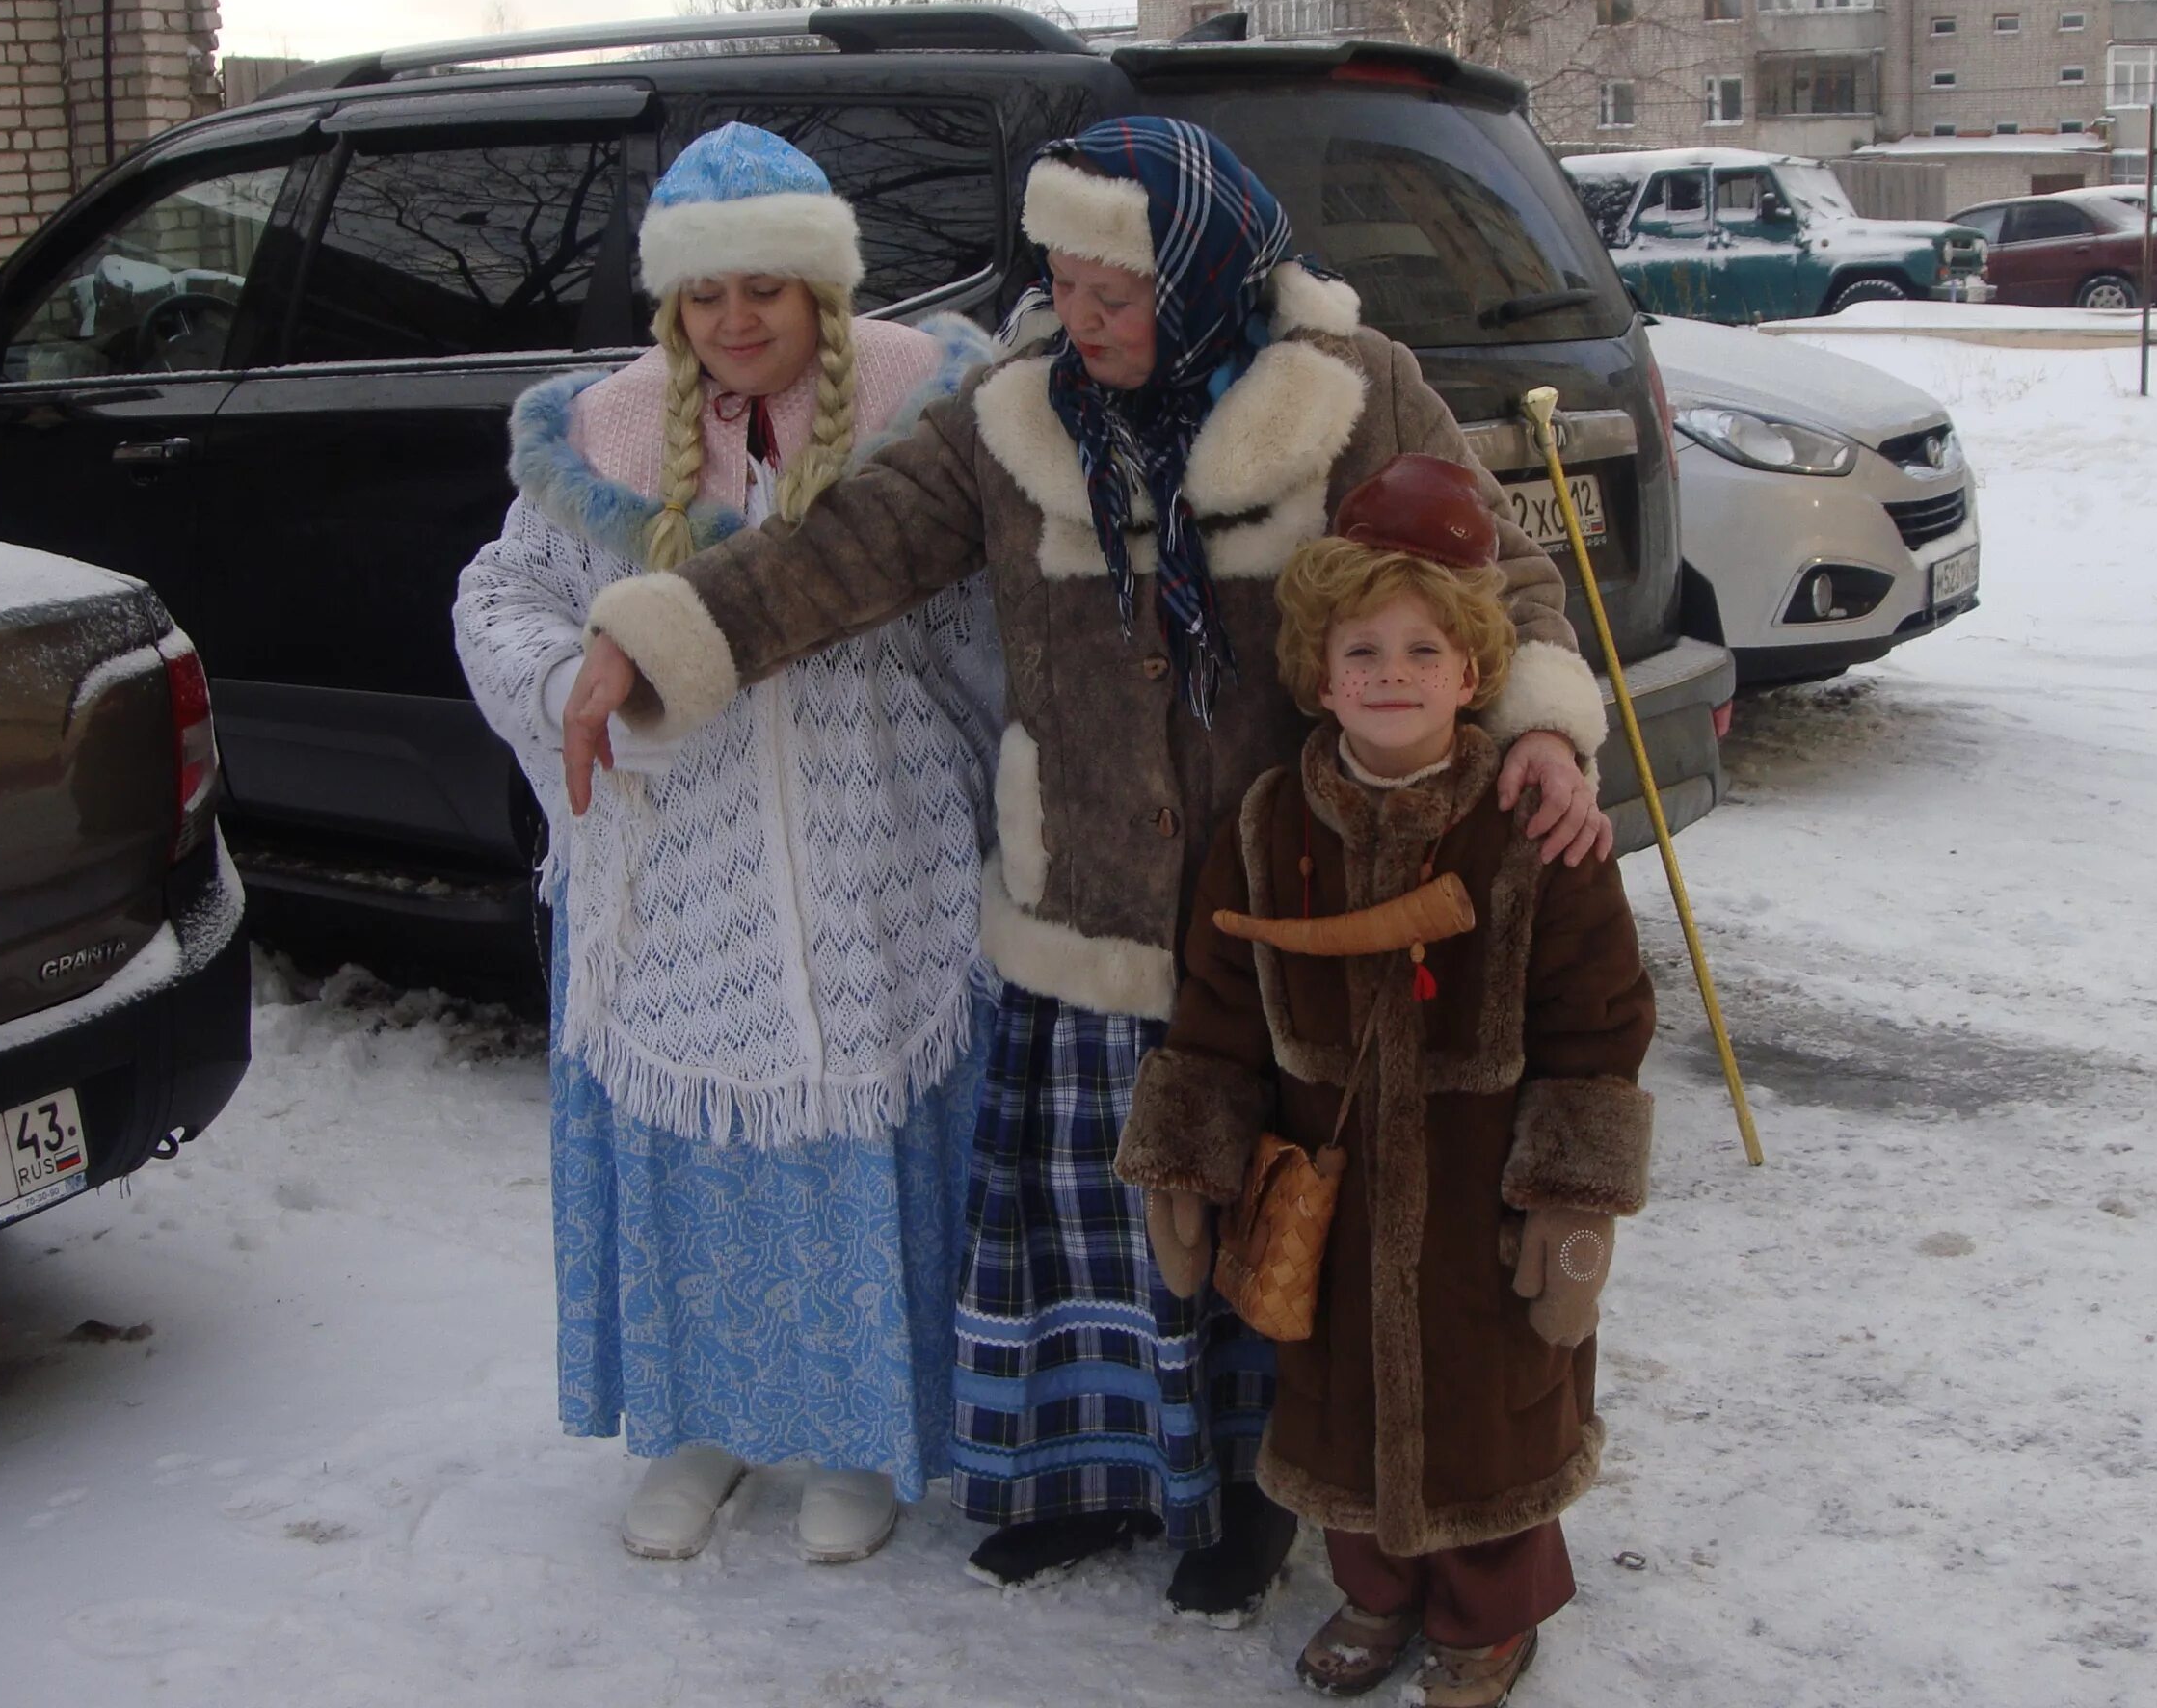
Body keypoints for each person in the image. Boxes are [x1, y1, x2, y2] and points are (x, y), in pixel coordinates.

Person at [556, 117, 1617, 1618]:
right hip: (1088, 898)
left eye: (1116, 293)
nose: (1086, 318)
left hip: (1284, 907)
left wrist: (1546, 729)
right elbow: (839, 549)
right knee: (1100, 1222)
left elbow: (1492, 564)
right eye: (1064, 284)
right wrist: (650, 632)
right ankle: (1088, 1485)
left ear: (1199, 273)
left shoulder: (1350, 389)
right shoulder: (1014, 407)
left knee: (1262, 1214)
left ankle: (1250, 1502)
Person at [451, 122, 999, 1568]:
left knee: (853, 1149)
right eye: (707, 295)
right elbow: (501, 594)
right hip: (670, 868)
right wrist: (574, 692)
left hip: (871, 856)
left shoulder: (918, 426)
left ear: (823, 288)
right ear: (671, 304)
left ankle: (854, 1436)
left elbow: (990, 635)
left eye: (767, 287)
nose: (736, 320)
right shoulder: (600, 444)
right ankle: (700, 1423)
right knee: (687, 1146)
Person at [1115, 454, 1659, 1707]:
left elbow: (1599, 1017)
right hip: (1332, 1193)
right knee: (1337, 1404)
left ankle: (1486, 1613)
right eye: (1366, 653)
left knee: (1493, 1408)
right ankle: (1374, 1593)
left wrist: (1573, 1200)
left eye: (1425, 653)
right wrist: (1190, 1157)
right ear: (1320, 674)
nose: (1394, 677)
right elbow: (1215, 1008)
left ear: (1475, 673)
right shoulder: (1266, 824)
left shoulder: (1533, 831)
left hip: (1485, 1194)